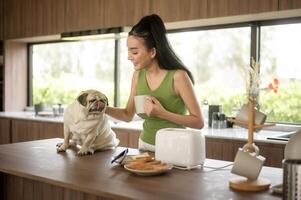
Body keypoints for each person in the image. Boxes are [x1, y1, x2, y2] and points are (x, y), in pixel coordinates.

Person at [106, 14, 204, 152]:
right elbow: (127, 115)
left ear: (152, 52)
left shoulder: (178, 77)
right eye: (128, 51)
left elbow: (198, 122)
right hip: (144, 145)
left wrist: (161, 113)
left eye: (134, 52)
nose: (129, 57)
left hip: (174, 149)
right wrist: (103, 108)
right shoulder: (137, 76)